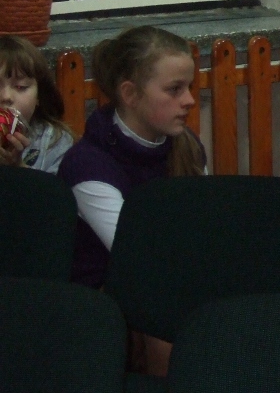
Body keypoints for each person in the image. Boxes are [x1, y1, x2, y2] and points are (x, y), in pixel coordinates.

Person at [57, 26, 206, 376]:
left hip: (173, 282)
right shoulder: (88, 166)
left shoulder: (187, 146)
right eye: (174, 89)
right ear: (130, 94)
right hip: (102, 312)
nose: (189, 100)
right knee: (165, 318)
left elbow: (204, 229)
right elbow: (142, 258)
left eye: (189, 87)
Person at [0, 35, 74, 172]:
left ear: (39, 95)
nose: (6, 97)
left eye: (20, 87)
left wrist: (18, 167)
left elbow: (53, 186)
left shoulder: (54, 141)